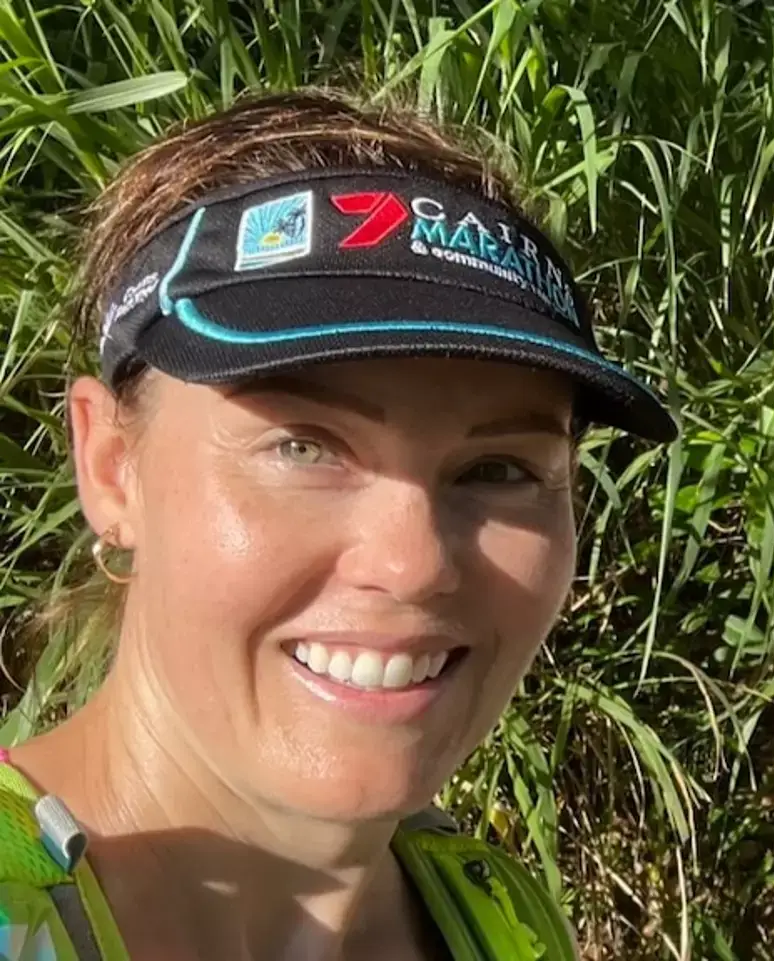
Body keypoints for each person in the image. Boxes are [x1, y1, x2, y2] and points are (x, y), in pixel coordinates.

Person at [0, 88, 676, 960]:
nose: (415, 562)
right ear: (110, 467)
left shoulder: (494, 915)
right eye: (304, 447)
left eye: (499, 469)